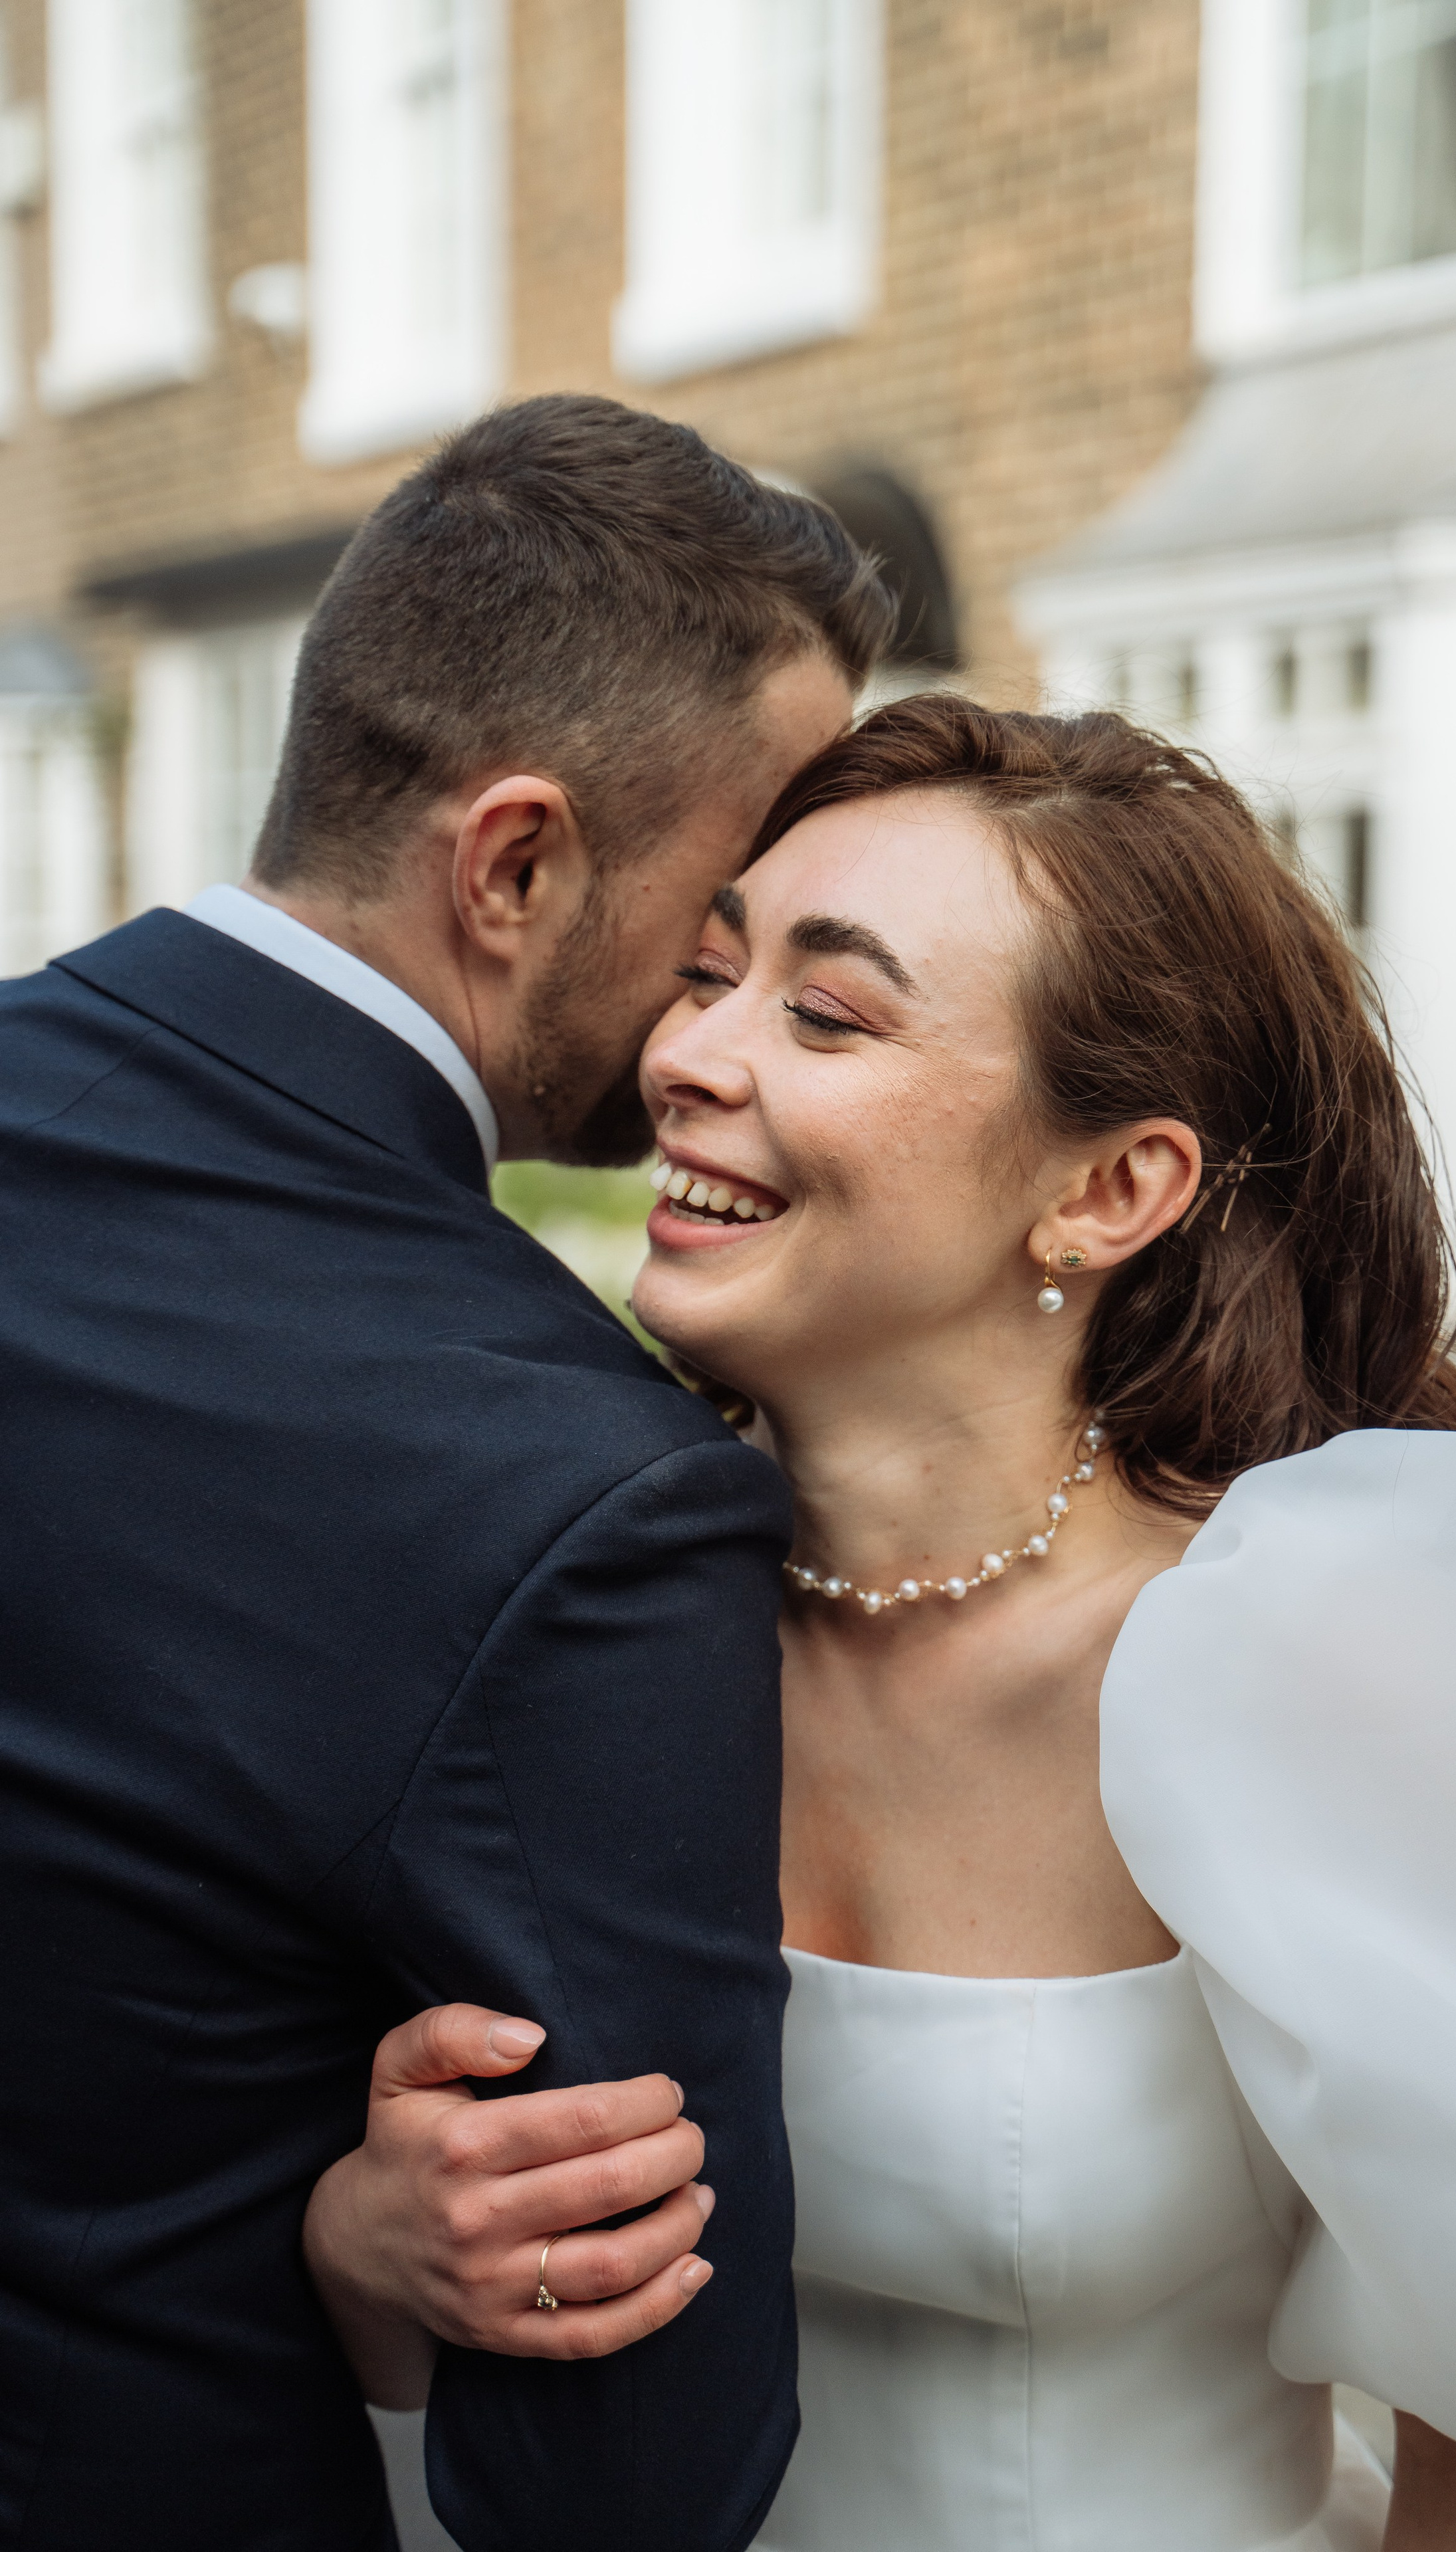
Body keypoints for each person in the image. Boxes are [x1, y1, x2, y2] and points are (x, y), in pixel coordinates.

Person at [320, 695, 1456, 2551]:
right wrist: (375, 2244)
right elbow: (421, 2361)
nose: (692, 1057)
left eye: (826, 1010)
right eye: (709, 973)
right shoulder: (546, 1611)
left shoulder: (1325, 1659)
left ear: (1109, 1188)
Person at [0, 393, 895, 2552]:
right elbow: (636, 2466)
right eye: (714, 931)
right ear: (515, 866)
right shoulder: (575, 1490)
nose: (711, 1033)